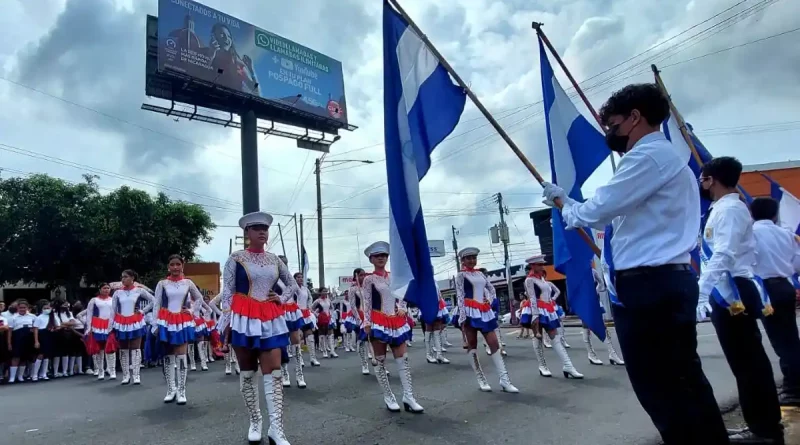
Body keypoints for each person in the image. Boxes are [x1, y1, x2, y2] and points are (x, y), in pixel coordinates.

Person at [542, 83, 727, 443]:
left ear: (635, 118)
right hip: (661, 281)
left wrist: (565, 203)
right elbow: (615, 217)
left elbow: (598, 209)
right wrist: (572, 208)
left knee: (659, 385)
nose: (609, 132)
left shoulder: (648, 157)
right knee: (683, 379)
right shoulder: (666, 159)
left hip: (649, 287)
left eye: (612, 123)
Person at [698, 157, 783, 443]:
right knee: (745, 362)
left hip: (733, 293)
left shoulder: (731, 210)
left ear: (712, 180)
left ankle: (765, 429)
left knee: (749, 363)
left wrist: (701, 289)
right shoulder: (722, 209)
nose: (700, 183)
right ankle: (760, 423)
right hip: (728, 290)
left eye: (702, 178)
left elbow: (724, 254)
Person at [219, 212, 296, 444]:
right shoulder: (235, 257)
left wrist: (281, 298)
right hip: (243, 316)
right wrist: (226, 323)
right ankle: (255, 420)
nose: (262, 231)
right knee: (248, 370)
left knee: (273, 371)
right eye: (257, 228)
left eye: (265, 228)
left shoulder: (274, 259)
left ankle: (277, 428)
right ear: (247, 232)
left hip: (269, 316)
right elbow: (227, 292)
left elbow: (291, 284)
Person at [361, 241, 423, 413]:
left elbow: (401, 294)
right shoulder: (368, 279)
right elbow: (366, 301)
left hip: (396, 320)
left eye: (384, 255)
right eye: (377, 256)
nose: (381, 258)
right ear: (371, 259)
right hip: (378, 320)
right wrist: (366, 322)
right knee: (380, 361)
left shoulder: (394, 276)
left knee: (403, 359)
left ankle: (409, 397)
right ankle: (389, 396)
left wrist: (403, 307)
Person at [751, 196, 800, 407]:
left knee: (780, 341)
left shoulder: (750, 234)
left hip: (764, 290)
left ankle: (793, 388)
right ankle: (793, 384)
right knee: (790, 338)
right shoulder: (788, 235)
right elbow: (797, 263)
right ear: (774, 214)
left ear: (751, 214)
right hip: (784, 286)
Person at [456, 247, 518, 393]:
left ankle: (505, 380)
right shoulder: (460, 275)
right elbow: (459, 295)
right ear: (463, 260)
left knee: (494, 343)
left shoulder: (480, 274)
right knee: (472, 344)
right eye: (468, 258)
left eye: (473, 257)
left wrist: (489, 302)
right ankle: (481, 378)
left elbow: (492, 289)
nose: (472, 260)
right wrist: (463, 316)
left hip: (483, 310)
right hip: (469, 309)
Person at [153, 255, 205, 404]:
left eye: (178, 264)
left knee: (181, 355)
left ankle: (182, 391)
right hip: (166, 320)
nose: (175, 267)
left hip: (182, 321)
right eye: (172, 265)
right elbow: (156, 303)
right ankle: (171, 389)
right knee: (168, 355)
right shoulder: (162, 283)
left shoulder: (188, 282)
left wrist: (191, 311)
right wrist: (155, 323)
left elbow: (199, 298)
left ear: (182, 266)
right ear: (168, 267)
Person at [524, 256, 583, 379]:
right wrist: (535, 316)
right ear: (532, 266)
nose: (541, 266)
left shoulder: (543, 280)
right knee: (538, 338)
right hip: (537, 310)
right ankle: (542, 366)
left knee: (555, 337)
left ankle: (568, 366)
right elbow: (532, 298)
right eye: (539, 264)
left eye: (542, 264)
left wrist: (551, 303)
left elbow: (551, 293)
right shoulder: (529, 280)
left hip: (547, 309)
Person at [111, 270, 155, 385]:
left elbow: (154, 301)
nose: (123, 279)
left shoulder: (139, 290)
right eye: (122, 277)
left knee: (135, 348)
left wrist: (142, 311)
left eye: (125, 277)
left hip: (135, 321)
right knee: (123, 348)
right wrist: (110, 325)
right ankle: (126, 375)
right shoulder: (117, 293)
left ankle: (136, 375)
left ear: (132, 278)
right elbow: (113, 309)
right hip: (121, 322)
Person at [583, 267, 625, 366]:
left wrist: (596, 291)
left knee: (603, 327)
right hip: (584, 303)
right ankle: (591, 354)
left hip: (595, 301)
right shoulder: (578, 272)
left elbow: (601, 282)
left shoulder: (593, 271)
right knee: (586, 329)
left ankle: (612, 354)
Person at [85, 284, 117, 380]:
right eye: (104, 288)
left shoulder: (113, 299)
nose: (106, 290)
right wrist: (89, 327)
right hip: (97, 325)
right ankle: (100, 371)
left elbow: (116, 312)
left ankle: (112, 371)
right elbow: (89, 314)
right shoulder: (94, 300)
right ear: (100, 289)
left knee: (111, 349)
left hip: (110, 325)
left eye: (108, 288)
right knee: (99, 350)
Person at [348, 268, 371, 375]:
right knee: (362, 340)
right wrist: (358, 318)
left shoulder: (369, 287)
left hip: (371, 315)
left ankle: (381, 365)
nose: (363, 277)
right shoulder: (352, 289)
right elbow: (352, 305)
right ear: (356, 276)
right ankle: (364, 364)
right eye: (360, 275)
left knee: (376, 340)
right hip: (360, 315)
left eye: (364, 275)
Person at [8, 299, 36, 383]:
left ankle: (20, 376)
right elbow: (10, 331)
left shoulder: (32, 316)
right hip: (17, 337)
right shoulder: (13, 317)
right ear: (17, 308)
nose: (22, 309)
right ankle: (12, 377)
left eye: (24, 307)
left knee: (24, 357)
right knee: (16, 357)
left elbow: (35, 328)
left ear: (27, 307)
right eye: (20, 307)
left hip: (28, 337)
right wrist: (9, 343)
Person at [311, 287, 337, 359]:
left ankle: (332, 351)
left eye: (326, 291)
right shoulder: (317, 301)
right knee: (322, 335)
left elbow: (332, 307)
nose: (325, 293)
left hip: (328, 318)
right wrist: (317, 314)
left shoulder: (328, 300)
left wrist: (330, 313)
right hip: (321, 319)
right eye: (323, 291)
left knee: (331, 334)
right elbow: (311, 308)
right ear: (320, 292)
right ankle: (324, 351)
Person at [31, 299, 53, 381]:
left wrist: (54, 328)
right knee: (40, 355)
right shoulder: (39, 317)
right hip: (42, 335)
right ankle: (35, 374)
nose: (47, 309)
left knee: (47, 356)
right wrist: (36, 341)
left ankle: (44, 373)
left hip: (49, 335)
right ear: (42, 309)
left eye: (48, 307)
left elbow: (58, 325)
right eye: (45, 308)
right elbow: (36, 329)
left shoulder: (52, 317)